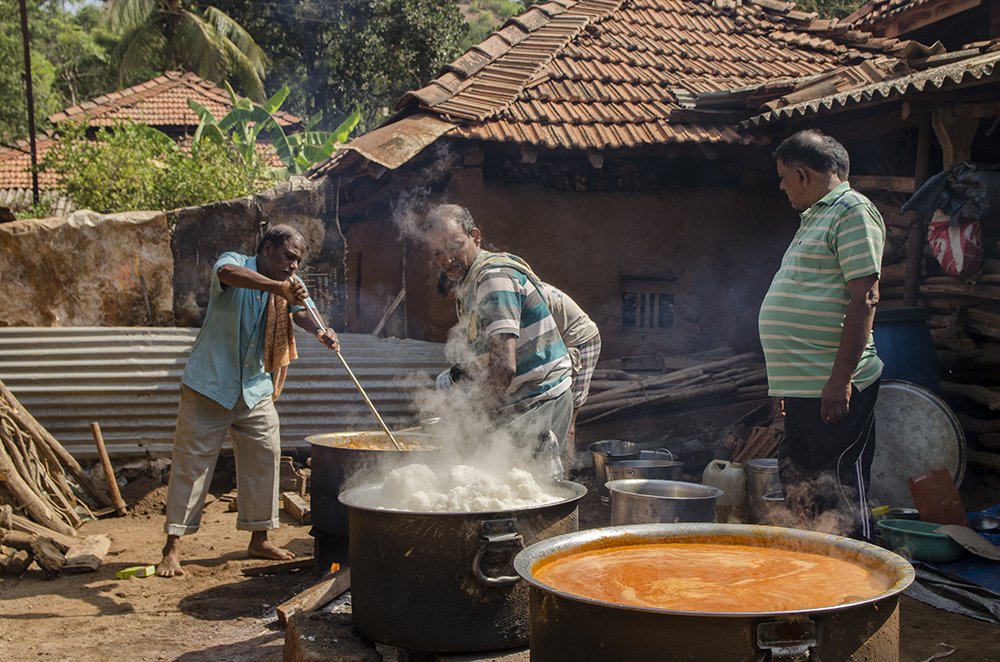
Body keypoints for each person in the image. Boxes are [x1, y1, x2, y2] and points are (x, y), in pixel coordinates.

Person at [157, 225, 339, 577]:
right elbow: (227, 274)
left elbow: (303, 310)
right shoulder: (235, 264)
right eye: (290, 257)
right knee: (191, 467)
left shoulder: (289, 286)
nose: (294, 267)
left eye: (299, 261)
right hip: (209, 385)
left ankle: (259, 538)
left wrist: (321, 331)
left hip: (254, 389)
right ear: (268, 249)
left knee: (266, 457)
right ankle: (172, 548)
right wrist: (279, 289)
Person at [758, 130, 885, 540]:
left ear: (800, 173)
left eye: (782, 177)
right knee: (802, 488)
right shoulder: (815, 216)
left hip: (834, 390)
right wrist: (782, 384)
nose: (780, 186)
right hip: (804, 390)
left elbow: (864, 298)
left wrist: (840, 379)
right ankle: (813, 579)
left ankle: (855, 592)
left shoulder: (851, 211)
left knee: (840, 494)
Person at [421, 204, 574, 453]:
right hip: (521, 401)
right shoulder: (471, 283)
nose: (446, 260)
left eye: (454, 246)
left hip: (540, 401)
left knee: (521, 486)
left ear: (476, 237)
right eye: (438, 252)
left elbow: (504, 367)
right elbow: (488, 357)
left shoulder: (494, 279)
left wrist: (473, 417)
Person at [535, 282, 601, 457]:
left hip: (581, 341)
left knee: (568, 420)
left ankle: (564, 477)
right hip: (558, 343)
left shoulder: (527, 295)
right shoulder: (515, 288)